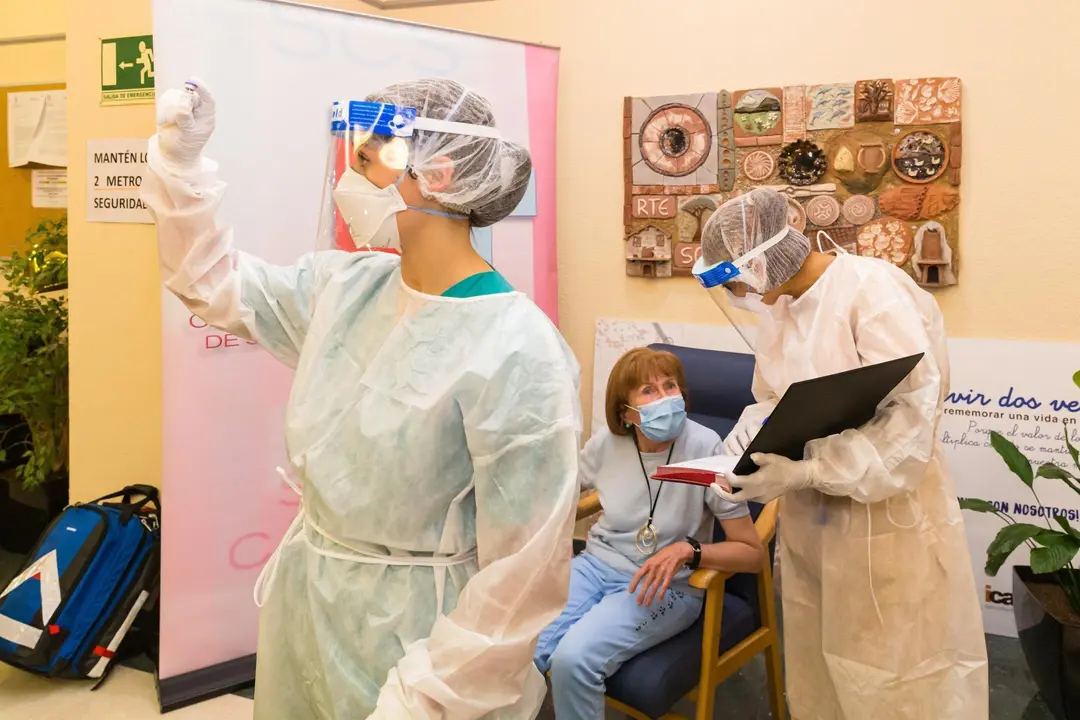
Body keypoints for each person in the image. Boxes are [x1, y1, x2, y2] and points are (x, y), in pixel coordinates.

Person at [142, 77, 582, 719]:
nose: (352, 173)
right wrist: (180, 167)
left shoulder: (517, 348)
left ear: (438, 173)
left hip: (426, 644)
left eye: (371, 154)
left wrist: (425, 698)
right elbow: (210, 283)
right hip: (311, 606)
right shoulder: (345, 289)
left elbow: (523, 574)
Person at [691, 187, 988, 719]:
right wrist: (750, 433)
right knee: (819, 669)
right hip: (813, 528)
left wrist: (810, 471)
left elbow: (910, 424)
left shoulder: (871, 292)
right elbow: (778, 399)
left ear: (759, 262)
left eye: (732, 279)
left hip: (886, 524)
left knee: (894, 674)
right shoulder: (780, 307)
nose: (736, 293)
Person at [534, 347, 764, 720]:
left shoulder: (706, 447)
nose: (665, 398)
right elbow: (560, 492)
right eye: (648, 390)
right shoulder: (606, 445)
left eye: (670, 386)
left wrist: (690, 551)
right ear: (626, 414)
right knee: (527, 646)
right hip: (594, 567)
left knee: (573, 661)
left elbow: (751, 554)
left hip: (664, 586)